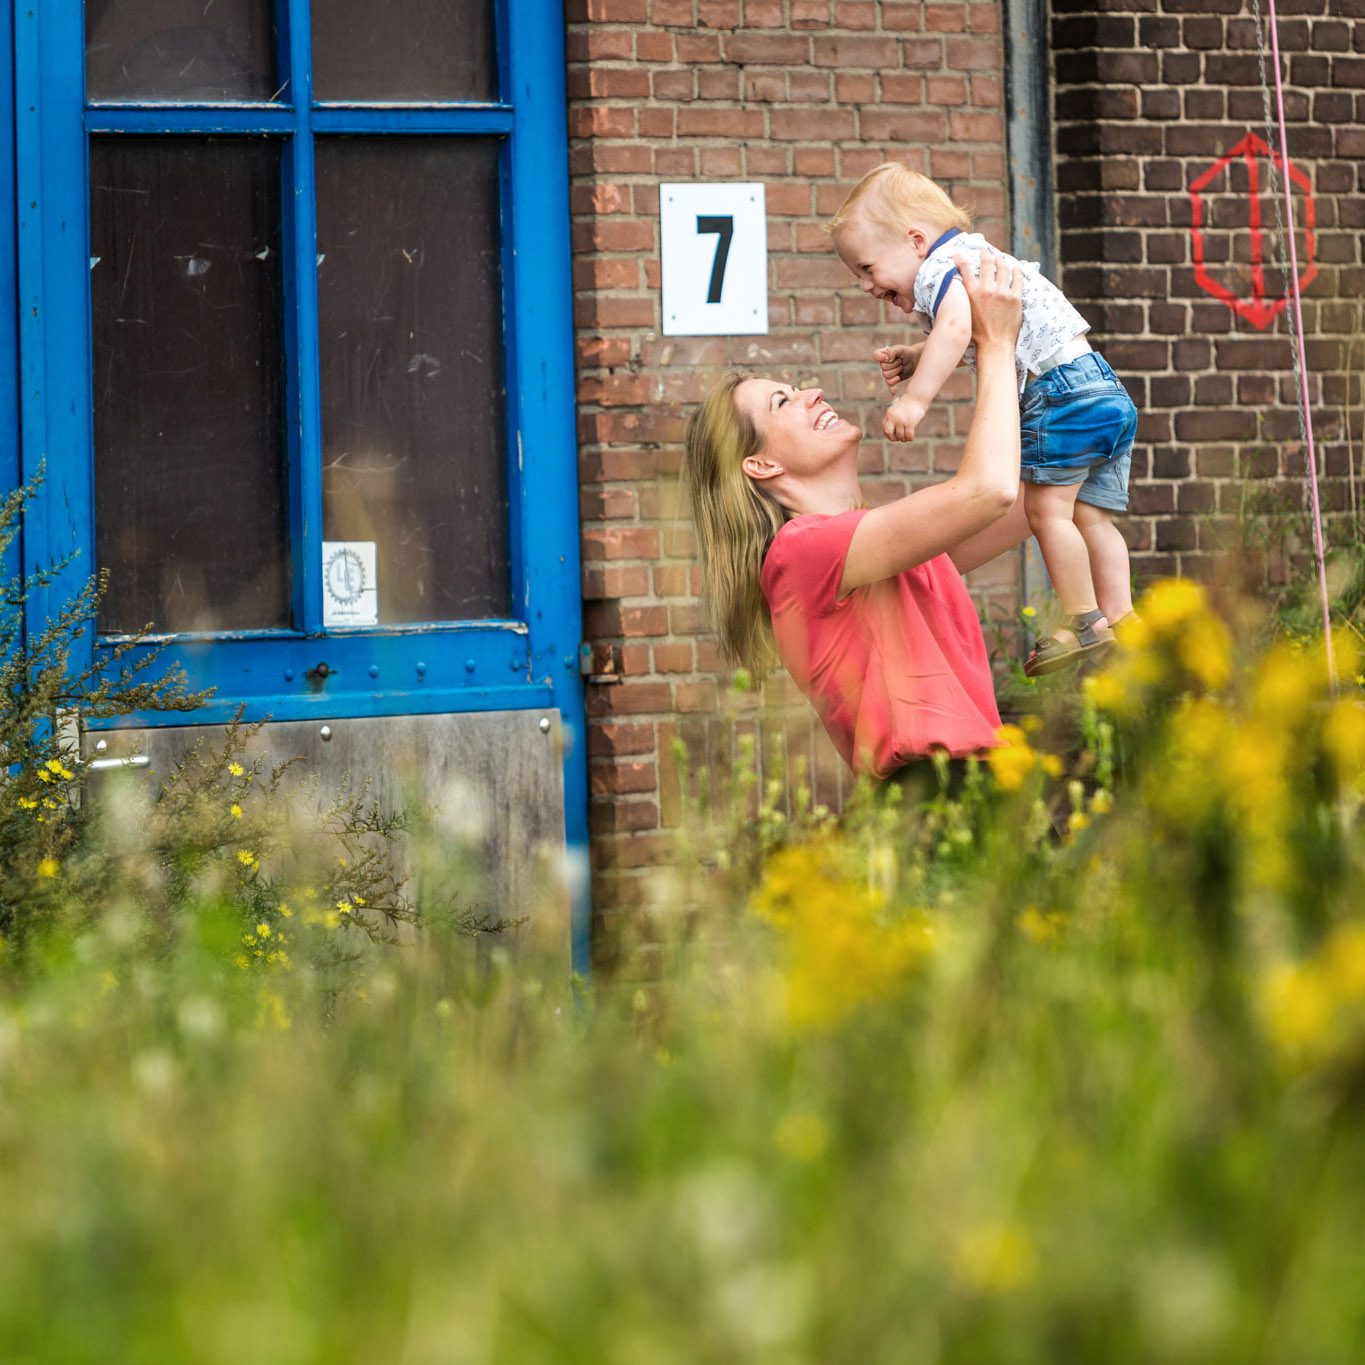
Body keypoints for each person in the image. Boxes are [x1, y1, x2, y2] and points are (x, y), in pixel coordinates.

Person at [682, 252, 1031, 783]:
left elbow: (1039, 499)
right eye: (783, 401)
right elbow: (989, 491)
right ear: (761, 464)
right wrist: (995, 344)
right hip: (931, 789)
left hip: (984, 781)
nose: (812, 393)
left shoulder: (887, 550)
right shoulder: (799, 552)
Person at [825, 162, 1139, 676]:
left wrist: (915, 400)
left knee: (1047, 515)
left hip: (1056, 393)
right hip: (1100, 387)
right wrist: (915, 354)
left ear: (914, 240)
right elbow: (964, 329)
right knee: (1091, 516)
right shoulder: (970, 255)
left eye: (866, 268)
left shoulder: (936, 268)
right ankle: (1123, 615)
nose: (865, 285)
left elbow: (953, 330)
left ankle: (1084, 619)